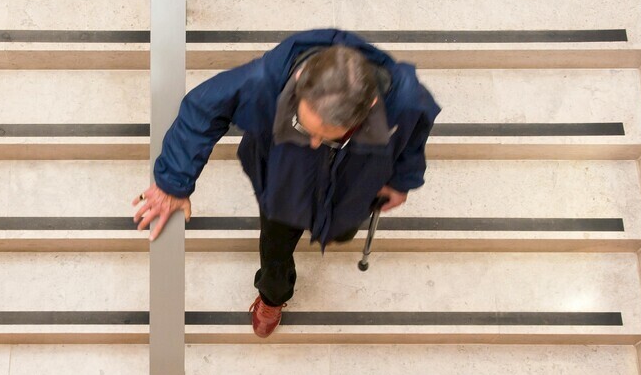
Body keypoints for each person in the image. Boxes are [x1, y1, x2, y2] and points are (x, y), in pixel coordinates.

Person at [132, 28, 441, 337]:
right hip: (283, 180)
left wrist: (402, 181)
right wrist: (173, 183)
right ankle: (273, 297)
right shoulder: (265, 80)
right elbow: (201, 108)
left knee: (343, 230)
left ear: (370, 106)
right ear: (300, 79)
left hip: (354, 185)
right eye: (303, 126)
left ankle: (328, 225)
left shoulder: (405, 101)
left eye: (329, 135)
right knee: (275, 247)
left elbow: (414, 136)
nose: (315, 142)